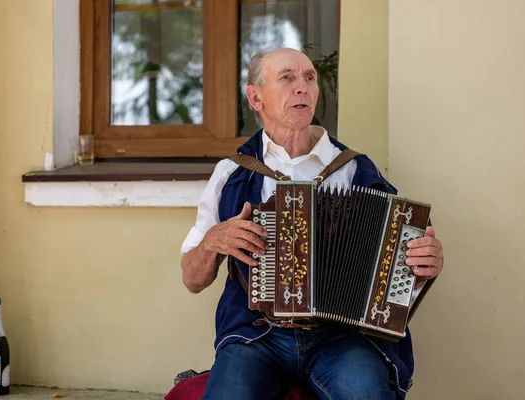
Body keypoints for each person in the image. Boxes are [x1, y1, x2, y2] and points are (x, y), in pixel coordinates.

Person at [180, 48, 444, 400]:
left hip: (342, 338)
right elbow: (192, 279)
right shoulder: (232, 172)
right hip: (255, 335)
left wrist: (423, 266)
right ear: (255, 97)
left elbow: (397, 276)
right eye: (287, 78)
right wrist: (212, 241)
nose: (302, 87)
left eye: (309, 78)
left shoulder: (354, 169)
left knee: (366, 394)